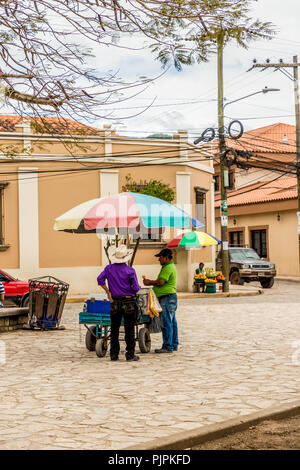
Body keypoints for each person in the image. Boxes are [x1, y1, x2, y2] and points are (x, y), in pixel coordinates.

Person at [97, 244, 141, 362]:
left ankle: (114, 354)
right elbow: (136, 288)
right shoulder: (130, 270)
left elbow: (99, 279)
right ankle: (130, 354)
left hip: (115, 301)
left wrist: (108, 292)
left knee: (114, 328)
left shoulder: (108, 268)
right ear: (126, 257)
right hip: (128, 301)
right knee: (129, 328)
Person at [142, 248, 178, 354]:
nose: (159, 260)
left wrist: (149, 282)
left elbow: (161, 282)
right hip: (170, 298)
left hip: (167, 298)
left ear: (166, 258)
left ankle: (167, 346)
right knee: (172, 322)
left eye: (160, 258)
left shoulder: (167, 268)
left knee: (166, 323)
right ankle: (173, 344)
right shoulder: (169, 266)